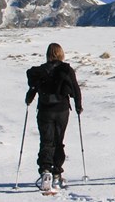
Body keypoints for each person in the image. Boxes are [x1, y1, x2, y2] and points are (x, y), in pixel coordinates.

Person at [25, 43, 83, 190]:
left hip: (45, 110)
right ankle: (57, 172)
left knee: (46, 141)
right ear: (61, 54)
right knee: (59, 141)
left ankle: (45, 171)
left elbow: (33, 89)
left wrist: (29, 99)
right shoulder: (67, 69)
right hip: (62, 110)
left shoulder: (41, 70)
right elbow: (76, 89)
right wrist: (78, 106)